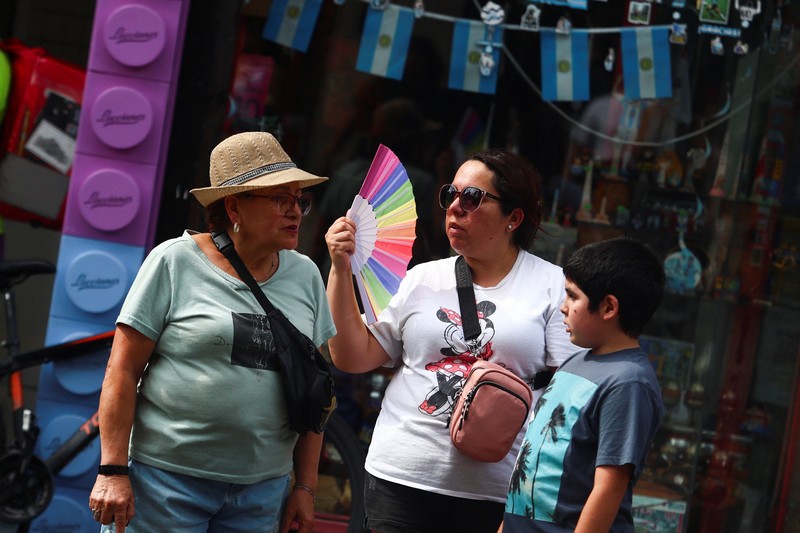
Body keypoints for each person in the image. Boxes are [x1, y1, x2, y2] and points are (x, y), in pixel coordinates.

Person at [88, 131, 336, 533]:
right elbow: (122, 369)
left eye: (299, 200)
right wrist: (113, 470)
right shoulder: (174, 261)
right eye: (280, 198)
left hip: (261, 494)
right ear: (233, 205)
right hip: (163, 485)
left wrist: (305, 487)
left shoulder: (306, 275)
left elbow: (315, 390)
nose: (295, 211)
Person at [325, 148, 581, 532]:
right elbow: (351, 356)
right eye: (450, 194)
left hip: (497, 493)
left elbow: (566, 397)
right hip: (400, 479)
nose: (455, 207)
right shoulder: (421, 278)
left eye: (473, 197)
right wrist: (340, 270)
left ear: (514, 218)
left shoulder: (552, 286)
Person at [502, 236, 666, 532]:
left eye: (572, 296)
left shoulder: (629, 381)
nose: (562, 307)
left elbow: (608, 488)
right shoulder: (574, 362)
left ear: (608, 307)